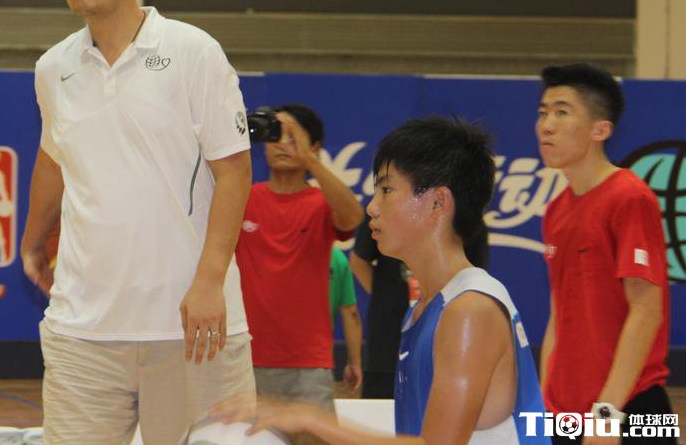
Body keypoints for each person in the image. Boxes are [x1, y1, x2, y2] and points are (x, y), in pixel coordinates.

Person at [19, 0, 255, 445]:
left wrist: (209, 282)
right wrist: (32, 240)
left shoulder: (193, 50)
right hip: (83, 330)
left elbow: (235, 169)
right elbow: (53, 158)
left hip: (190, 325)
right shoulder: (52, 67)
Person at [217, 116, 550, 445]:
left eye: (386, 190)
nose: (372, 208)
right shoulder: (426, 310)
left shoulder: (470, 310)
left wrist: (311, 418)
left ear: (438, 202)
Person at [537, 64, 672, 444]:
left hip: (629, 407)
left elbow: (646, 311)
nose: (547, 125)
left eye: (562, 112)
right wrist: (545, 404)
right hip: (566, 412)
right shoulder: (556, 210)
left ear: (600, 130)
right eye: (543, 112)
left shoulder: (629, 197)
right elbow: (558, 316)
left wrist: (607, 413)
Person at [233, 104, 363, 443]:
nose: (281, 145)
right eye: (275, 136)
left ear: (314, 146)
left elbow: (353, 219)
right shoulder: (243, 198)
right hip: (244, 360)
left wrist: (311, 162)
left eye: (293, 138)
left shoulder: (322, 203)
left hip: (308, 363)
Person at [350, 214, 489, 401]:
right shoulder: (383, 210)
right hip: (387, 347)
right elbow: (359, 259)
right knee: (381, 414)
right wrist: (385, 298)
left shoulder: (466, 216)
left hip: (445, 349)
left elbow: (474, 279)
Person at [329, 246, 363, 398]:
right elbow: (351, 314)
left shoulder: (279, 254)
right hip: (317, 359)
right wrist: (354, 362)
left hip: (270, 355)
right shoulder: (337, 258)